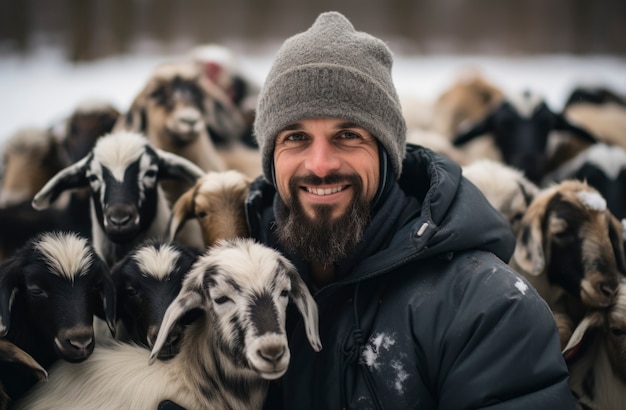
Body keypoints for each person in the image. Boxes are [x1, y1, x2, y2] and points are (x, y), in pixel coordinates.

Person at [244, 10, 576, 410]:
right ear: (269, 158)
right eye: (295, 137)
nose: (320, 164)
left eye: (348, 135)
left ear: (388, 155)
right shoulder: (224, 291)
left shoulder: (485, 309)